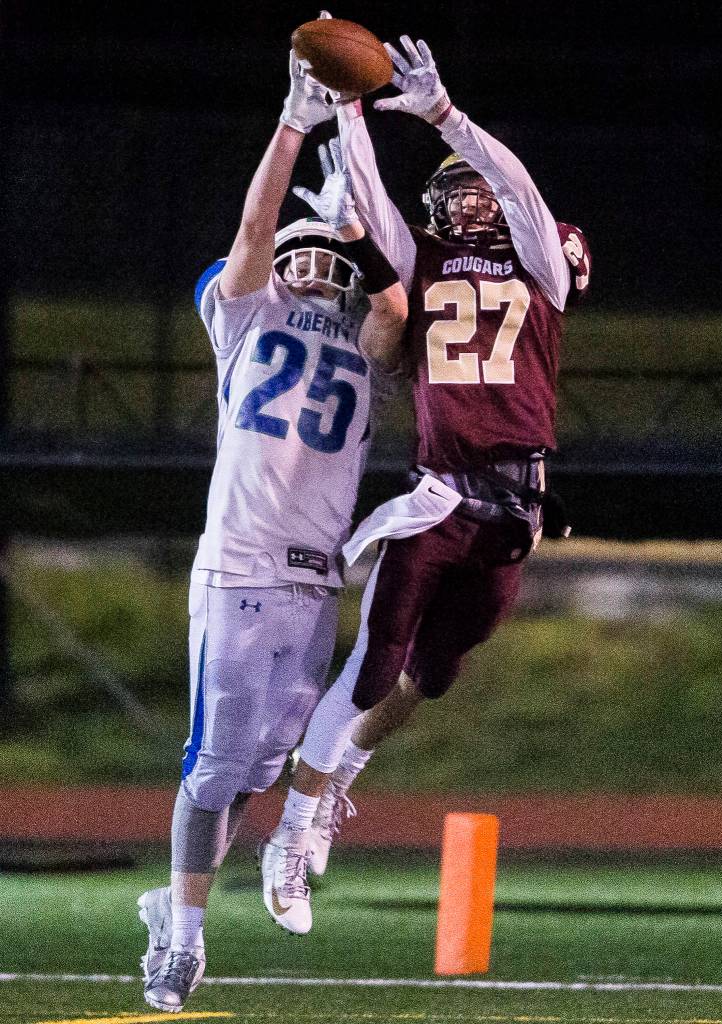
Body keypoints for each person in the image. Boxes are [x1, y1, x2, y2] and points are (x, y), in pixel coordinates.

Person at [261, 32, 591, 930]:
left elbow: (521, 191)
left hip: (514, 508)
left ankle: (340, 781)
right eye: (458, 193)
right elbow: (367, 200)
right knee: (374, 669)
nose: (475, 205)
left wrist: (448, 115)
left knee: (434, 674)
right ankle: (292, 834)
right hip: (439, 497)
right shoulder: (423, 262)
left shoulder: (543, 263)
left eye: (480, 190)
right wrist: (349, 111)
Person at [136, 42, 407, 1013]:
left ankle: (179, 901)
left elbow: (392, 299)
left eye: (322, 257)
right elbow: (255, 229)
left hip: (313, 574)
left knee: (256, 761)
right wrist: (297, 123)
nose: (309, 265)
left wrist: (353, 191)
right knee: (216, 759)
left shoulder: (367, 342)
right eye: (300, 253)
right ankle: (184, 932)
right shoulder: (243, 315)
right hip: (244, 562)